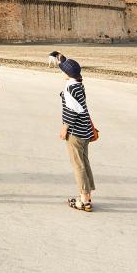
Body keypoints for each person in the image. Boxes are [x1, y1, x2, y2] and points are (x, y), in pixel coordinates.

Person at [59, 58, 96, 212]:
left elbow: (72, 111)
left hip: (75, 132)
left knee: (78, 165)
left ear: (67, 74)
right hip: (85, 130)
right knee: (84, 162)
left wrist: (64, 128)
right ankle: (87, 196)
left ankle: (84, 200)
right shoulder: (79, 85)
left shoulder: (70, 88)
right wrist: (62, 59)